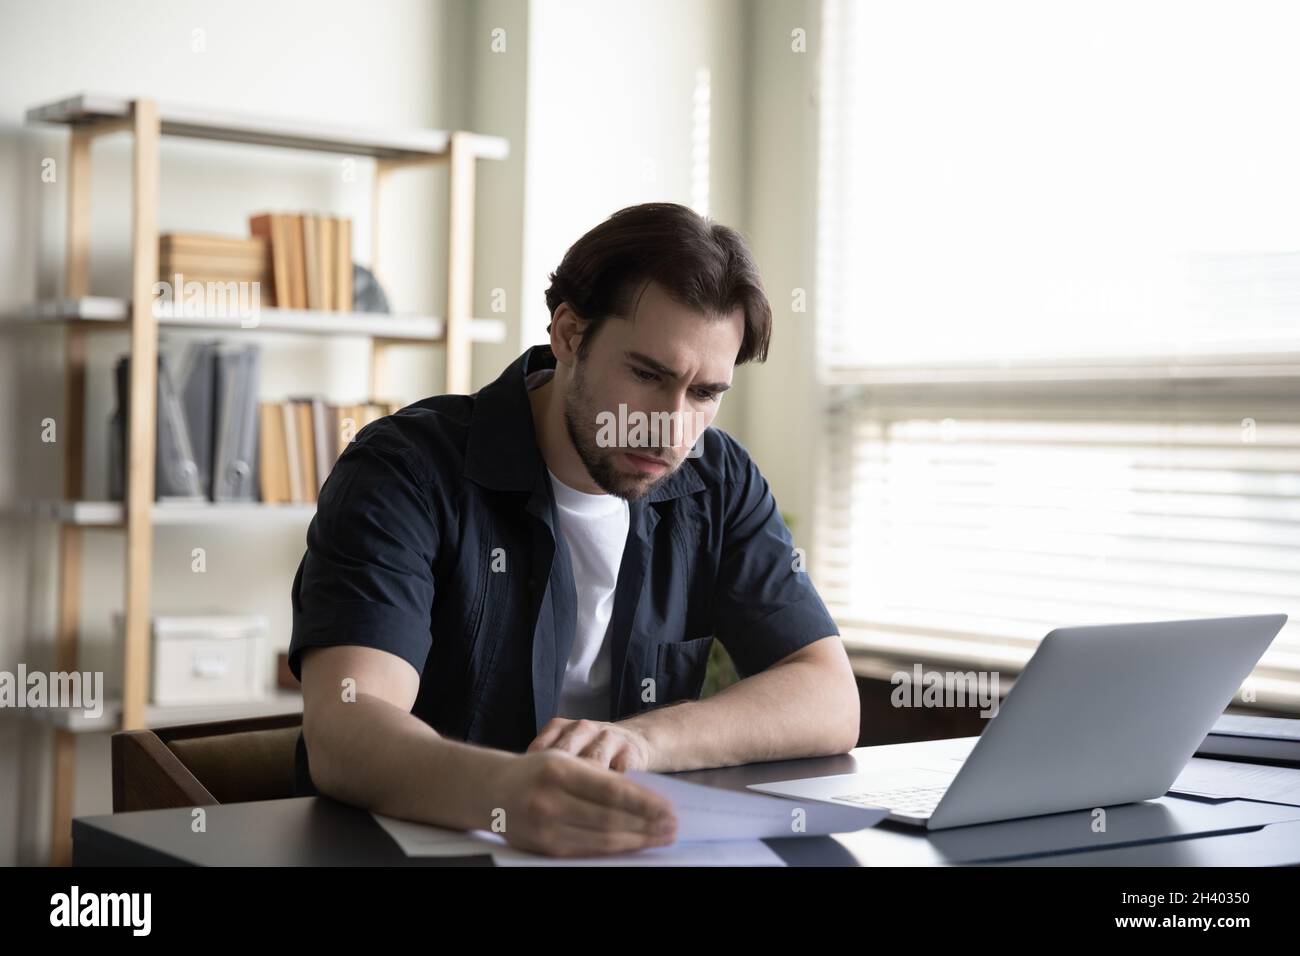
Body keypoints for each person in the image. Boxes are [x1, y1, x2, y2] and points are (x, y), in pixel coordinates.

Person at [288, 202, 859, 858]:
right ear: (567, 333)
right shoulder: (404, 471)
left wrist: (646, 742)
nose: (671, 428)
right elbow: (347, 725)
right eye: (648, 375)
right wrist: (506, 794)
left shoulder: (719, 479)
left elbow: (828, 695)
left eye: (704, 394)